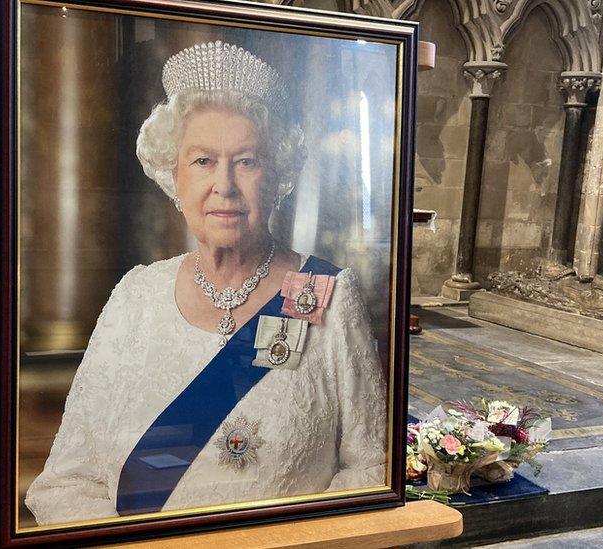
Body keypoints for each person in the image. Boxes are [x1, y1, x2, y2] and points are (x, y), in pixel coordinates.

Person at [25, 41, 387, 525]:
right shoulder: (135, 297)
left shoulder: (330, 295)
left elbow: (369, 470)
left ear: (277, 175)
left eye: (247, 160)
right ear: (174, 177)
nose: (225, 185)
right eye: (202, 161)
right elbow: (68, 479)